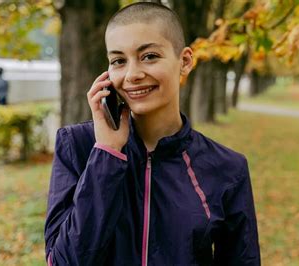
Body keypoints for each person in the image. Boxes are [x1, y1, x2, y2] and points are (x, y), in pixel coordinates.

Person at [44, 2, 261, 265]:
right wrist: (107, 154)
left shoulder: (228, 169)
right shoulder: (77, 147)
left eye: (149, 56)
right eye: (118, 61)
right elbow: (63, 261)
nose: (132, 74)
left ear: (185, 61)